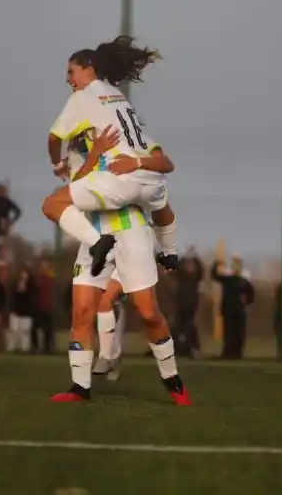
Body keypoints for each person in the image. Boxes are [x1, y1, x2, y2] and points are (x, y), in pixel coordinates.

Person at [51, 124, 190, 405]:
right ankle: (80, 387)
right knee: (81, 312)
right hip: (93, 236)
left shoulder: (133, 135)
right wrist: (91, 155)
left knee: (149, 313)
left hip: (132, 233)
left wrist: (137, 162)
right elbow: (75, 188)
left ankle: (174, 382)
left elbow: (164, 165)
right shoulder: (77, 146)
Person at [42, 36, 179, 277]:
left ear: (89, 69)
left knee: (52, 205)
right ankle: (170, 252)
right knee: (160, 199)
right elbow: (166, 163)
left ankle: (98, 243)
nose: (68, 79)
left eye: (71, 72)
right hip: (148, 180)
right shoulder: (118, 96)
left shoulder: (83, 98)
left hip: (120, 181)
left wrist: (57, 163)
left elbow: (54, 139)